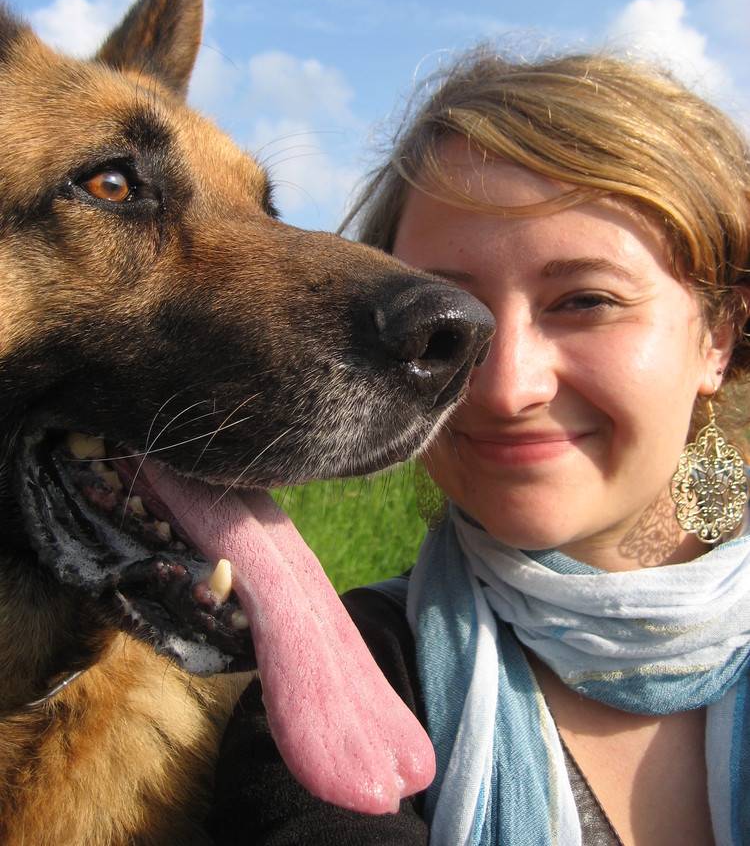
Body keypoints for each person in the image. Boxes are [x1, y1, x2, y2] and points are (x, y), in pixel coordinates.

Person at [207, 46, 750, 846]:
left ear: (719, 338)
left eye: (585, 301)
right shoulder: (340, 697)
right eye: (447, 320)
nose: (506, 388)